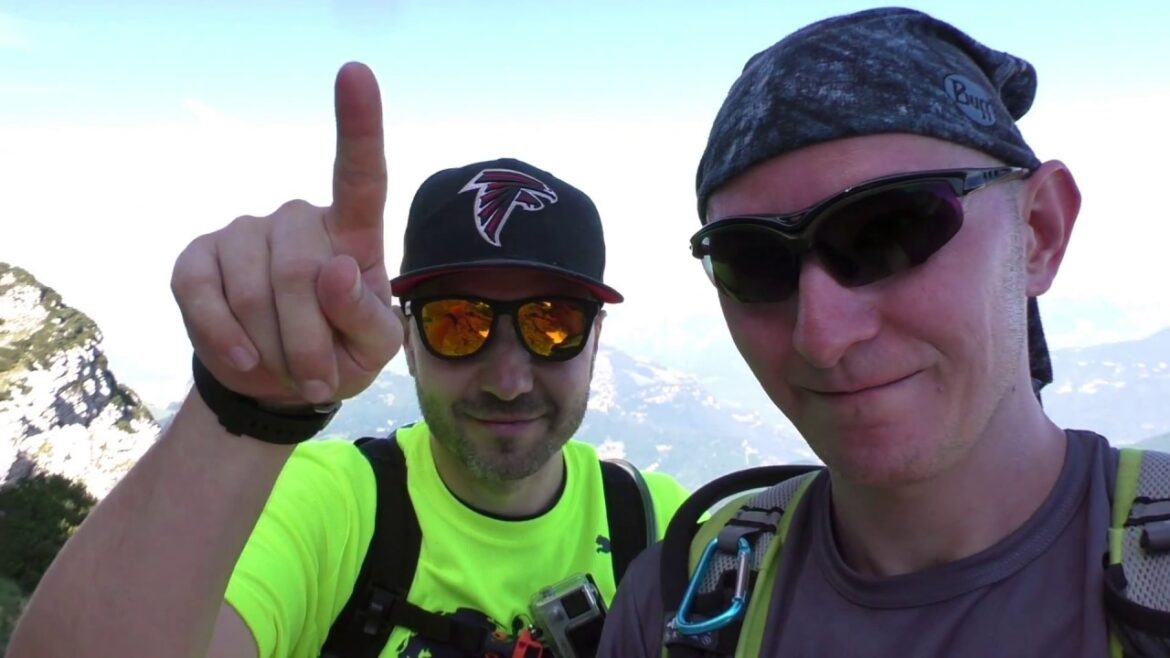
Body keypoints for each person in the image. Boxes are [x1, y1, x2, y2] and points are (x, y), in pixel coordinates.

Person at [8, 62, 689, 658]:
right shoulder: (332, 507)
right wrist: (247, 409)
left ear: (594, 338)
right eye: (459, 324)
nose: (510, 380)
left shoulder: (671, 534)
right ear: (409, 339)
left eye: (553, 324)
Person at [598, 7, 1170, 658]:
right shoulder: (676, 605)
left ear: (1038, 230)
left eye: (889, 232)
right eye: (751, 261)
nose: (822, 336)